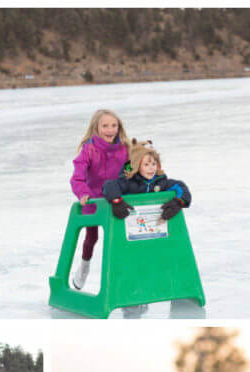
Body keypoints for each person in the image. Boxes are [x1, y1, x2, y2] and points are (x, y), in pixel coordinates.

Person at [69, 109, 130, 289]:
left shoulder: (125, 149)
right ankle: (84, 267)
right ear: (96, 128)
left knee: (120, 238)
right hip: (94, 201)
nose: (110, 130)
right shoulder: (89, 149)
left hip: (117, 200)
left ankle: (122, 276)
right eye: (105, 126)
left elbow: (133, 170)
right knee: (92, 237)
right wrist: (83, 193)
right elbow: (77, 178)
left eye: (114, 126)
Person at [102, 139, 191, 222]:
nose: (151, 168)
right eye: (146, 164)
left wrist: (179, 202)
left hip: (153, 224)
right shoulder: (128, 182)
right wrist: (116, 201)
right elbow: (110, 185)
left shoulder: (161, 182)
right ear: (137, 165)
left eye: (154, 164)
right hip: (131, 223)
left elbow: (181, 187)